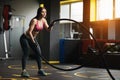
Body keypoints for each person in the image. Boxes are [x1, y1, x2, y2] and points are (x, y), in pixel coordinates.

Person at [20, 7, 53, 77]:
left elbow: (48, 29)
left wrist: (51, 25)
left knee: (39, 53)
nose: (44, 13)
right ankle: (24, 71)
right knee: (26, 52)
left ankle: (40, 70)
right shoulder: (34, 20)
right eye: (43, 12)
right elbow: (29, 32)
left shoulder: (44, 20)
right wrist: (33, 41)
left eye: (45, 12)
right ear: (39, 12)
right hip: (25, 38)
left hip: (33, 38)